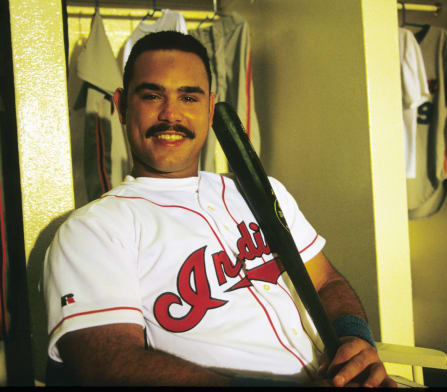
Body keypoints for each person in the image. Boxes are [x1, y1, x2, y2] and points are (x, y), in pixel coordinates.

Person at [43, 31, 397, 387]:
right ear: (121, 105)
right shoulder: (94, 230)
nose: (171, 115)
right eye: (152, 96)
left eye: (189, 97)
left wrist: (355, 341)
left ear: (211, 109)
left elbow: (326, 281)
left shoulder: (262, 190)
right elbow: (109, 365)